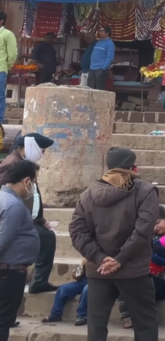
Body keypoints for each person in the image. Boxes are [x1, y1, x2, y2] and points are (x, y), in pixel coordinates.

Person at [69, 148, 160, 341]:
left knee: (96, 325)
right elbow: (143, 231)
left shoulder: (87, 194)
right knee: (145, 323)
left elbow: (77, 231)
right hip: (134, 270)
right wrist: (120, 259)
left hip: (99, 269)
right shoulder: (145, 190)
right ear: (133, 167)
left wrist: (100, 258)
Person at [0, 133, 56, 294]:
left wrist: (40, 219)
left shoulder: (25, 164)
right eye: (41, 150)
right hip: (15, 217)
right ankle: (39, 281)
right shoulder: (12, 164)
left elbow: (33, 196)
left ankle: (40, 281)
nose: (42, 154)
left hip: (25, 217)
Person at [124, 207, 165, 329]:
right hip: (154, 274)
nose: (155, 227)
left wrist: (152, 248)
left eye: (157, 223)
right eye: (152, 225)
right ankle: (138, 316)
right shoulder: (153, 236)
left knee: (145, 283)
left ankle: (143, 319)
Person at [0, 160, 40, 341]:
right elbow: (2, 240)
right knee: (3, 321)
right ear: (26, 181)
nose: (33, 187)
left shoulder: (3, 198)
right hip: (8, 272)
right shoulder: (14, 206)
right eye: (34, 181)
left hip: (8, 270)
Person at [43, 258, 88, 326]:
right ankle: (55, 315)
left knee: (87, 290)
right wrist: (81, 267)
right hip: (83, 281)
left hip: (96, 281)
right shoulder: (89, 256)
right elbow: (76, 276)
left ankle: (82, 316)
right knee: (63, 288)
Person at [88, 26, 115, 91]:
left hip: (100, 69)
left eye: (102, 31)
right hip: (92, 68)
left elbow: (109, 58)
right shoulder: (98, 42)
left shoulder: (110, 44)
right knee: (90, 88)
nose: (100, 32)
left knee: (99, 89)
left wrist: (103, 68)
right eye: (99, 31)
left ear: (107, 33)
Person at [0, 12, 15, 120]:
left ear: (1, 21)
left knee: (0, 97)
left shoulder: (7, 34)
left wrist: (7, 67)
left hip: (0, 70)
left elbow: (12, 55)